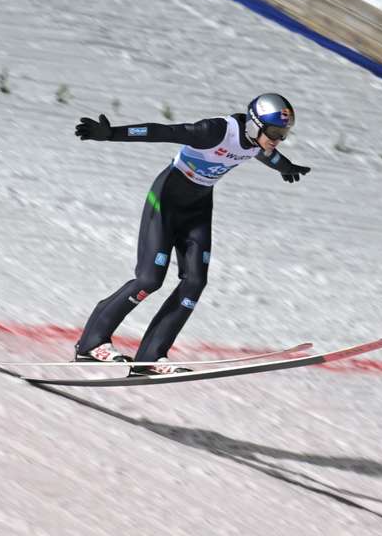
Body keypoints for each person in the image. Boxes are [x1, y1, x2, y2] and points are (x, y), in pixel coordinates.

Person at [73, 93, 310, 375]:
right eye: (274, 132)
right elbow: (162, 132)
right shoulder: (214, 132)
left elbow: (266, 154)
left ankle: (150, 356)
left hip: (198, 207)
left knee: (195, 281)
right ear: (254, 124)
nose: (277, 139)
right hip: (167, 200)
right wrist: (111, 134)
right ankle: (91, 343)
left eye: (283, 134)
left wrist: (286, 167)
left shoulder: (256, 140)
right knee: (149, 279)